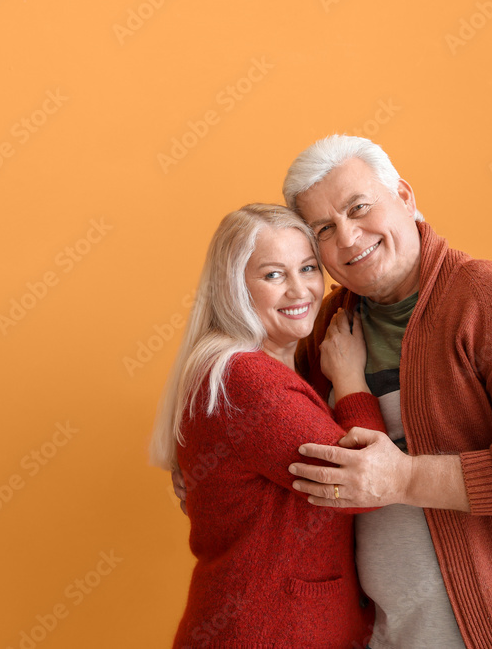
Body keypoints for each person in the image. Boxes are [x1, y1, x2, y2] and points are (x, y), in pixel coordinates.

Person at [278, 135, 492, 649]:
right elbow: (293, 444)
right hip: (384, 635)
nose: (347, 237)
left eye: (358, 208)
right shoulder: (326, 327)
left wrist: (406, 478)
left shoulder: (490, 299)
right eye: (324, 228)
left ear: (404, 196)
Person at [149, 203, 386, 648]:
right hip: (266, 632)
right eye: (274, 275)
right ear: (233, 288)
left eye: (308, 268)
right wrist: (351, 379)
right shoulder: (246, 377)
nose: (300, 290)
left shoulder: (258, 365)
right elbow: (363, 483)